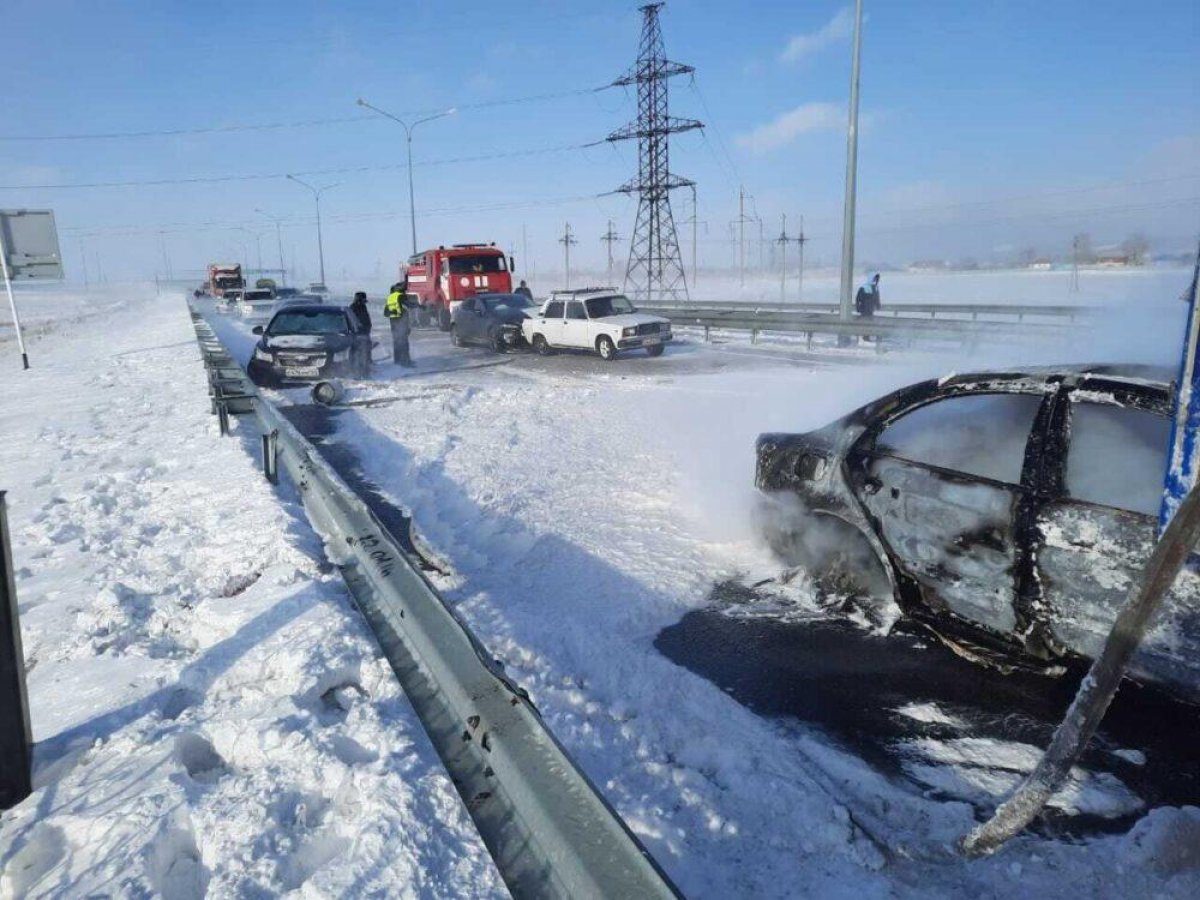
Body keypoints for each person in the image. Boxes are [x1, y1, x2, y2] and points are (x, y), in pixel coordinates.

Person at [384, 281, 414, 367]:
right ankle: (406, 362)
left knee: (396, 343)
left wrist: (392, 312)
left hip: (393, 324)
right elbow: (409, 305)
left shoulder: (390, 298)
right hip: (401, 323)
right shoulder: (400, 296)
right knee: (404, 343)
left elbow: (385, 313)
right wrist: (420, 306)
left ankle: (398, 362)